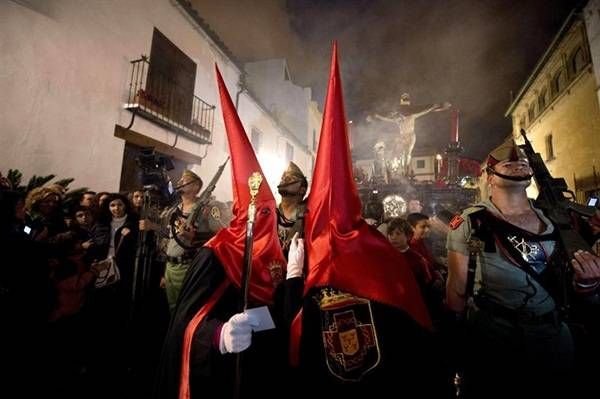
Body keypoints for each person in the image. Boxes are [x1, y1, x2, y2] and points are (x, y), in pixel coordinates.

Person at [445, 141, 600, 397]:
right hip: (495, 337)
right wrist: (456, 343)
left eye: (522, 163)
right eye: (508, 163)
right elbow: (456, 292)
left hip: (555, 335)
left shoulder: (560, 218)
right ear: (490, 177)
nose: (517, 165)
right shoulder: (469, 222)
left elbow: (579, 281)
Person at [139, 170, 206, 314]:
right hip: (170, 267)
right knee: (172, 309)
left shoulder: (204, 209)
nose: (180, 182)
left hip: (188, 266)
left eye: (185, 180)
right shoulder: (175, 209)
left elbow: (215, 236)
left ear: (195, 186)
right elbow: (170, 237)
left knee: (187, 309)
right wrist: (153, 227)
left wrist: (193, 237)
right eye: (180, 179)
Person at [369, 93, 450, 175]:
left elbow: (424, 111)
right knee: (400, 151)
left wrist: (433, 107)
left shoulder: (412, 116)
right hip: (402, 137)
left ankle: (405, 169)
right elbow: (387, 119)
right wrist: (378, 116)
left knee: (408, 152)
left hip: (410, 136)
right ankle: (400, 168)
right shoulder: (398, 120)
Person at [276, 161, 308, 255]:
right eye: (283, 178)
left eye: (290, 178)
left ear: (302, 189)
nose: (284, 180)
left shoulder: (309, 215)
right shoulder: (270, 213)